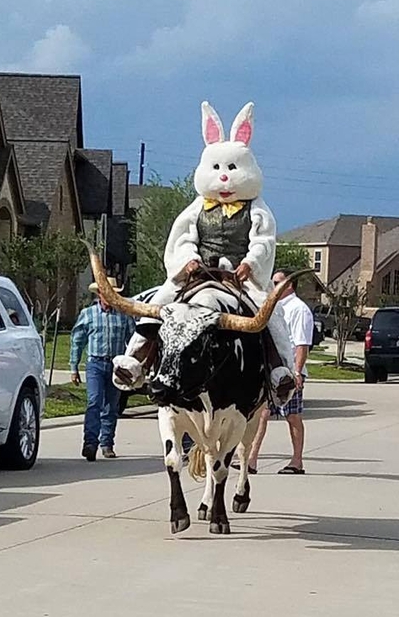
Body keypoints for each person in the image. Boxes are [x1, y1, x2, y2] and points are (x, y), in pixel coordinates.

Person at [112, 100, 295, 404]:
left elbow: (263, 241)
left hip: (238, 277)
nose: (224, 177)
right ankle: (136, 360)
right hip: (198, 274)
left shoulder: (257, 210)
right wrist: (187, 260)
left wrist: (250, 263)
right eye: (217, 169)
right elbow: (182, 237)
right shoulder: (197, 207)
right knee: (159, 304)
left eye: (232, 168)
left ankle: (280, 371)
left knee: (269, 313)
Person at [244, 268, 315, 475]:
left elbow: (301, 344)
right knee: (262, 413)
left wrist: (298, 372)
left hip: (290, 371)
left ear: (289, 285)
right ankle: (251, 460)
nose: (272, 286)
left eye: (276, 283)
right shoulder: (275, 307)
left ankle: (297, 461)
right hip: (274, 370)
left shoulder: (298, 309)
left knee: (292, 416)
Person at [70, 278, 136, 461]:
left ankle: (107, 443)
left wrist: (133, 364)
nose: (108, 296)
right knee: (94, 401)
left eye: (112, 292)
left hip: (116, 366)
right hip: (95, 364)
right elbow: (77, 340)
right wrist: (74, 367)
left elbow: (133, 341)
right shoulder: (88, 314)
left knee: (111, 406)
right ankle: (90, 443)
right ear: (99, 294)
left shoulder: (124, 315)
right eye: (105, 292)